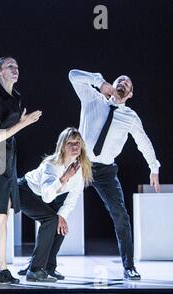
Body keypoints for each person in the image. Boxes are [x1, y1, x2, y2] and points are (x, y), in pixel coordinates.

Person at [68, 69, 161, 280]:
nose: (124, 83)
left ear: (130, 94)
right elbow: (73, 75)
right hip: (80, 162)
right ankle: (40, 265)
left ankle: (129, 267)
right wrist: (98, 82)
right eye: (121, 80)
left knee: (121, 216)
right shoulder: (92, 98)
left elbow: (143, 142)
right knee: (54, 207)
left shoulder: (130, 117)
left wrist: (153, 167)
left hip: (105, 171)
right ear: (113, 83)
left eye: (128, 85)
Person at [0, 56, 42, 284]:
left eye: (17, 66)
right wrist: (23, 124)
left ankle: (2, 266)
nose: (15, 70)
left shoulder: (15, 97)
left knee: (4, 216)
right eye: (10, 66)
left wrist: (19, 123)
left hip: (7, 158)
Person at [17, 127, 92, 282]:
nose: (75, 146)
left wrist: (62, 216)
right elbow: (47, 196)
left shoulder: (79, 167)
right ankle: (35, 270)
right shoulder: (51, 165)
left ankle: (48, 268)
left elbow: (73, 196)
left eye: (78, 143)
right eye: (70, 143)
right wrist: (64, 177)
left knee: (60, 227)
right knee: (50, 220)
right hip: (25, 190)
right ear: (62, 146)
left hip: (43, 195)